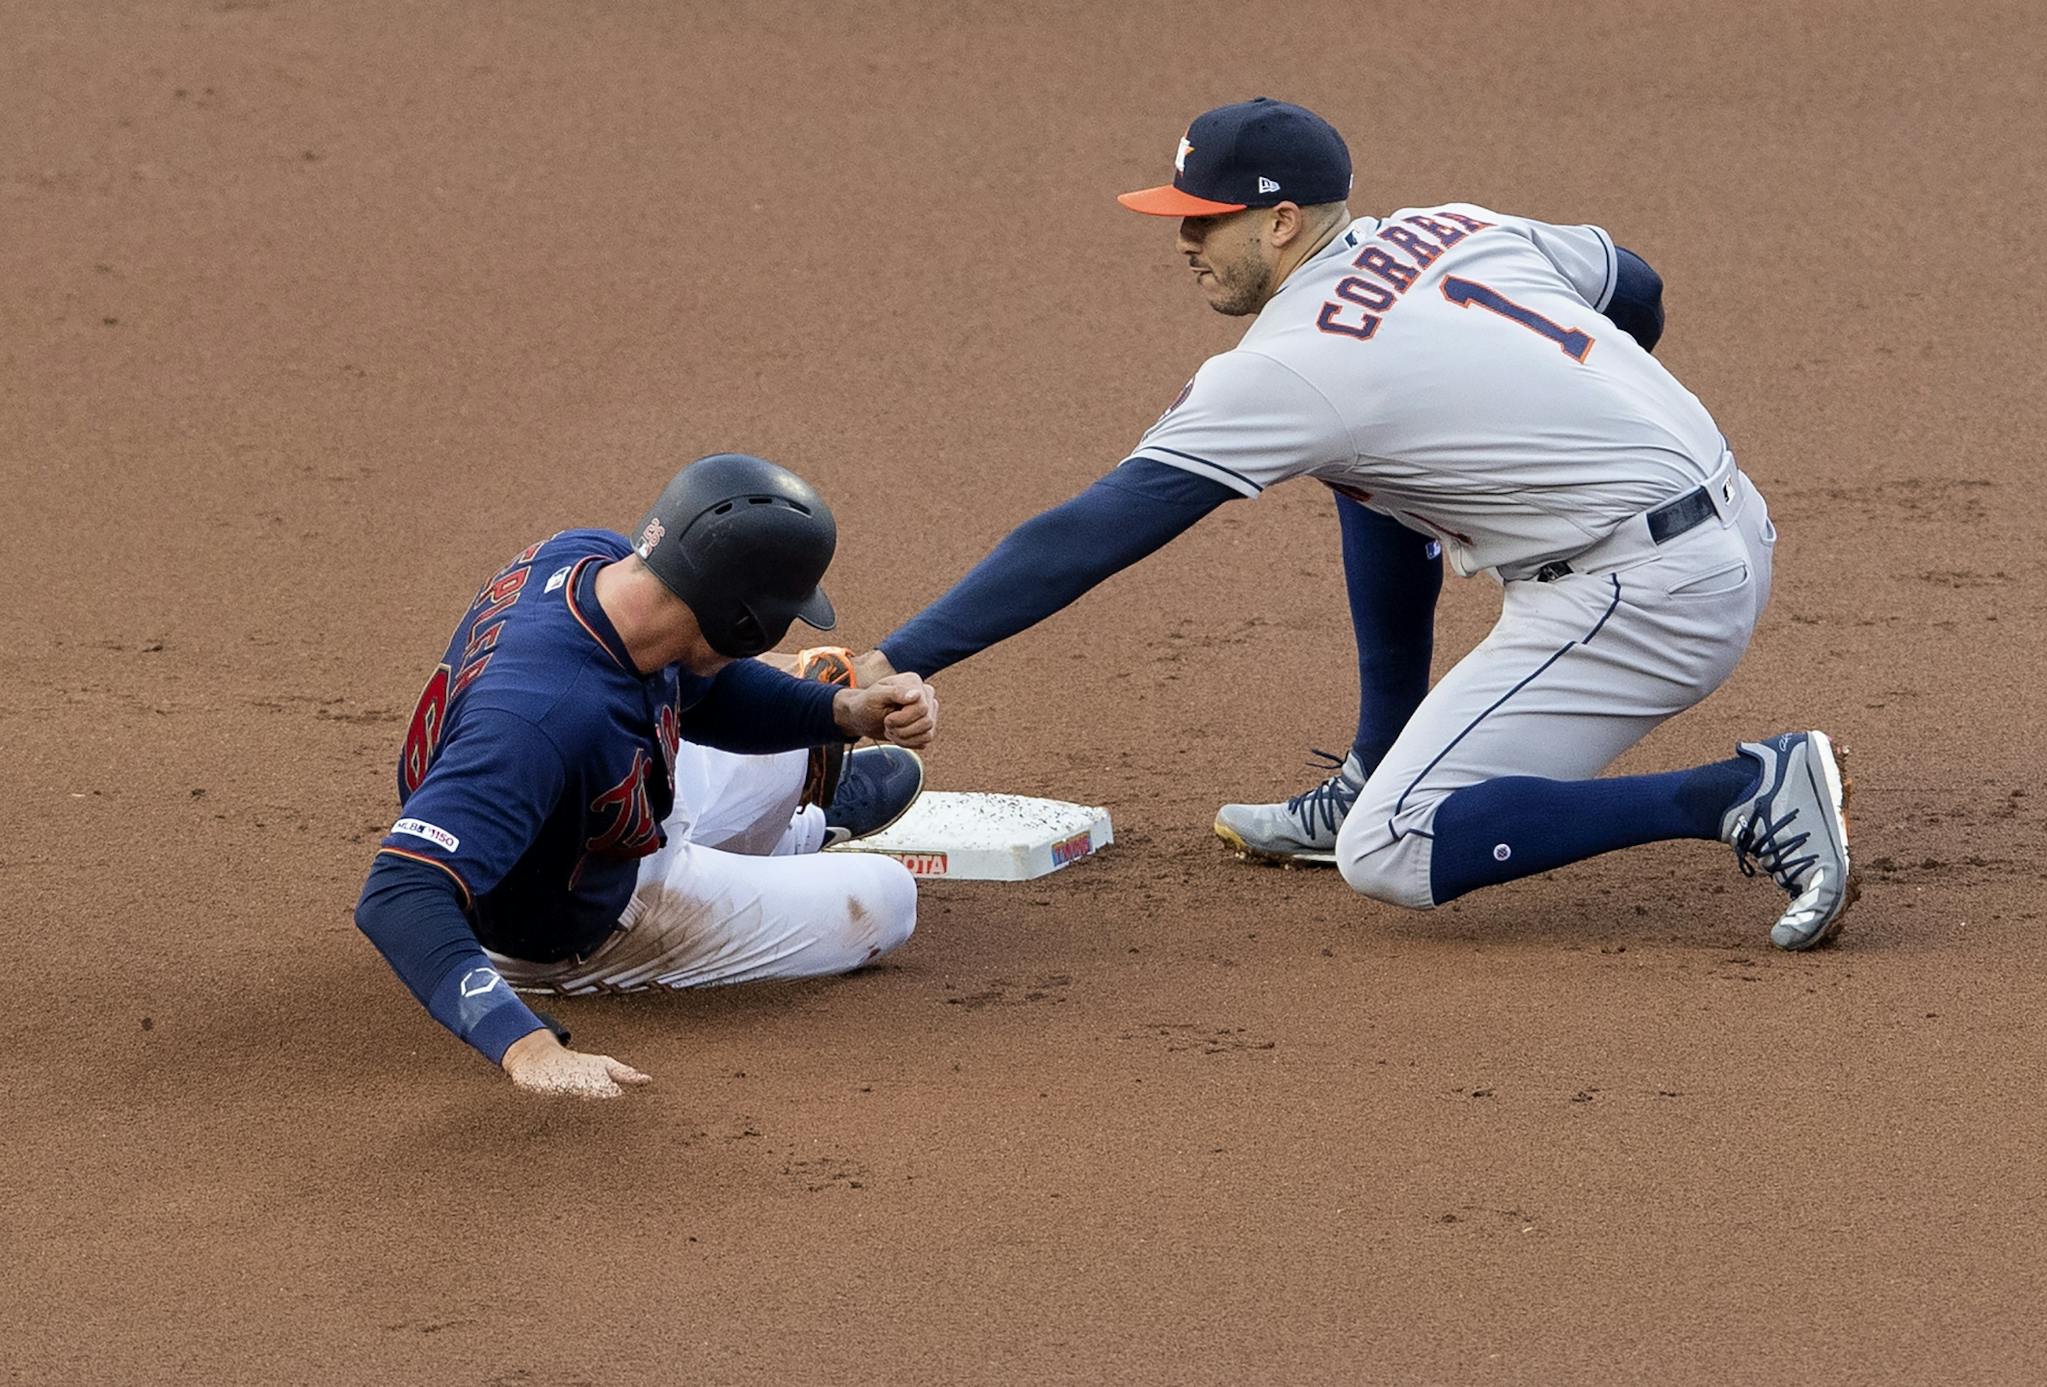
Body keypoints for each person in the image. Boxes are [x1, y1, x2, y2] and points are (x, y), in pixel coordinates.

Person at [834, 97, 1852, 950]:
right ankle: (1383, 751)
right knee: (1363, 460)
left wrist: (899, 656)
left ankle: (1741, 792)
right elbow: (1636, 286)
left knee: (1392, 850)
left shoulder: (1290, 366)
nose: (1184, 239)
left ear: (1281, 223)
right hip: (1727, 518)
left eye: (1207, 218)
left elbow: (1088, 533)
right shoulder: (1449, 226)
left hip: (1641, 601)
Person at [354, 454, 940, 1098]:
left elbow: (701, 684)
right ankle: (787, 852)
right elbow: (400, 892)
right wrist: (525, 1045)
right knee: (887, 900)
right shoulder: (544, 719)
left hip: (594, 808)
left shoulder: (589, 559)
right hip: (566, 925)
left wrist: (840, 711)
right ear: (743, 622)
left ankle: (784, 847)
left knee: (791, 744)